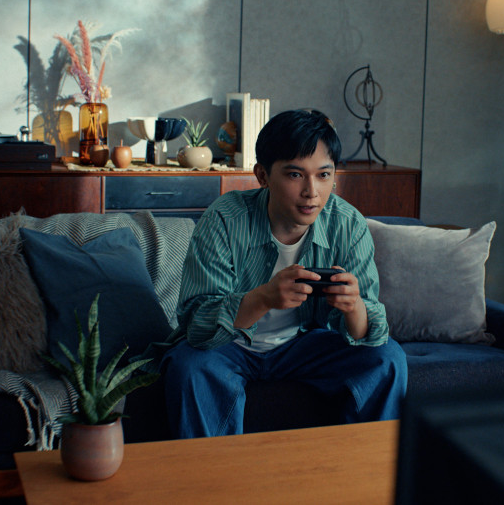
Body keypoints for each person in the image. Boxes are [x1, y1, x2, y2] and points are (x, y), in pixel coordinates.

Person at [160, 108, 407, 438]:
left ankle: (370, 466)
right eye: (295, 175)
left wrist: (354, 307)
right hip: (231, 347)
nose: (311, 191)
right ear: (262, 175)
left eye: (323, 175)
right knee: (189, 366)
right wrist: (264, 298)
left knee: (388, 358)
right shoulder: (224, 219)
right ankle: (212, 469)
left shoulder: (348, 224)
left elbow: (370, 334)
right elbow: (197, 325)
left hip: (305, 346)